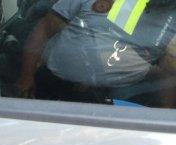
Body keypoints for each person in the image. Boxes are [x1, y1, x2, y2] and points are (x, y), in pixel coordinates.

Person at [16, 0, 176, 105]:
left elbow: (169, 72)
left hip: (121, 101)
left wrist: (165, 114)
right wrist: (26, 76)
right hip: (55, 89)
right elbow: (44, 29)